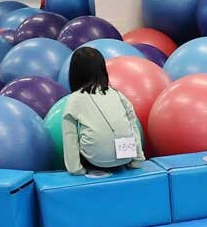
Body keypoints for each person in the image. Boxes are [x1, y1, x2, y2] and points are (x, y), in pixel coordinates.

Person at [61, 47, 145, 176]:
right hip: (126, 157)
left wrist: (76, 169)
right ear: (102, 70)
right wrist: (137, 160)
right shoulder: (118, 94)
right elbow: (133, 125)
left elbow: (69, 136)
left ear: (75, 73)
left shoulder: (75, 99)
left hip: (96, 161)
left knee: (79, 140)